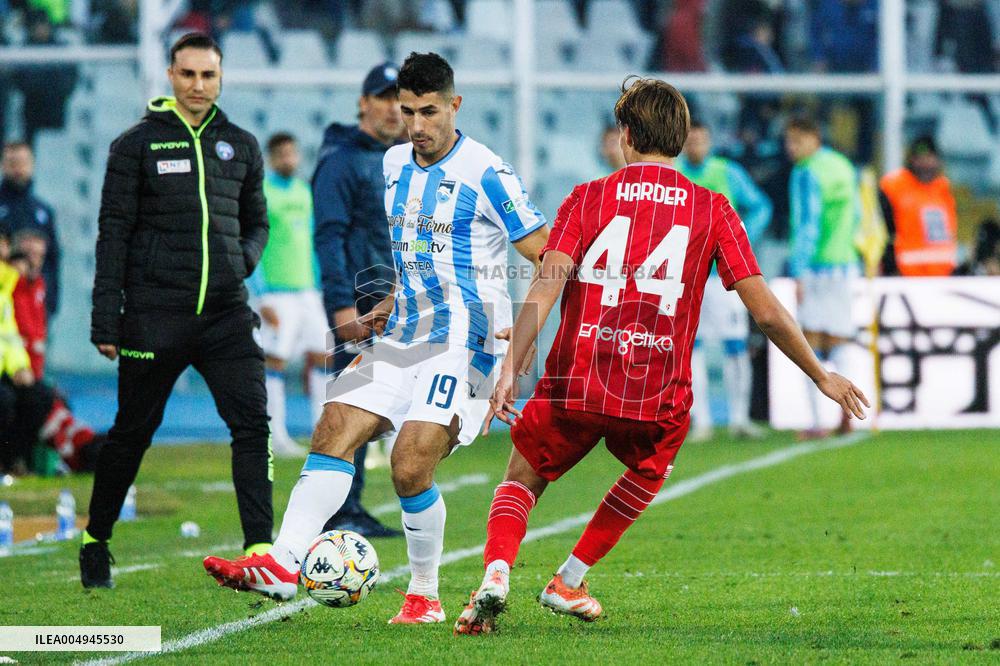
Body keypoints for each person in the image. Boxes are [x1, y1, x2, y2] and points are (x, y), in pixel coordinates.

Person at [452, 77, 869, 635]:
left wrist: (511, 366)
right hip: (654, 390)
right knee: (649, 468)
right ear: (678, 137)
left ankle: (497, 573)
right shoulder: (713, 207)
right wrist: (821, 375)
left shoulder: (586, 196)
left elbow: (547, 282)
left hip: (577, 376)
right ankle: (569, 579)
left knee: (522, 478)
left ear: (626, 134)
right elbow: (766, 312)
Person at [204, 52, 549, 626]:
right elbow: (418, 256)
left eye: (429, 111)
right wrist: (390, 302)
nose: (416, 125)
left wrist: (523, 342)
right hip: (406, 332)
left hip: (469, 343)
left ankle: (423, 594)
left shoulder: (487, 171)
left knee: (411, 463)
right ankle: (284, 565)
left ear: (455, 105)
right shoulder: (392, 164)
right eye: (406, 110)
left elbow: (550, 255)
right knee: (334, 424)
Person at [84, 32, 272, 589]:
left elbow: (258, 221)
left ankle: (259, 549)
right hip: (153, 316)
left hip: (226, 317)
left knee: (252, 426)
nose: (198, 86)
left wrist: (243, 260)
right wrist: (105, 318)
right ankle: (96, 540)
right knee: (131, 433)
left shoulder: (241, 144)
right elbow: (112, 235)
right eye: (188, 74)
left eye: (208, 75)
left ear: (220, 78)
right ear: (171, 75)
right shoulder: (134, 145)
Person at [310, 62, 406, 539]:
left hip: (394, 304)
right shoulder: (342, 160)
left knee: (373, 410)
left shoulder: (399, 158)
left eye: (398, 98)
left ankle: (348, 506)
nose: (393, 107)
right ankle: (337, 510)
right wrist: (341, 308)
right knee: (350, 408)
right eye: (383, 97)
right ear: (363, 103)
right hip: (361, 306)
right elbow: (329, 237)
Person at [677, 121, 772, 440]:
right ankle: (700, 420)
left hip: (724, 276)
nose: (695, 146)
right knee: (693, 349)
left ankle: (739, 419)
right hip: (687, 277)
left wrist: (741, 239)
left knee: (735, 345)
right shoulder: (674, 174)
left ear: (710, 141)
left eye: (701, 140)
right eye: (690, 141)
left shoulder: (727, 172)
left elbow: (761, 207)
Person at [784, 116, 861, 439]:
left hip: (816, 266)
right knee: (839, 339)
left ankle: (817, 420)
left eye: (796, 141)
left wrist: (798, 270)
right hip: (846, 263)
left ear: (813, 137)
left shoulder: (806, 172)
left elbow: (808, 224)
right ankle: (847, 412)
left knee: (810, 341)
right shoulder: (842, 165)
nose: (791, 149)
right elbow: (857, 213)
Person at [251, 132, 325, 459]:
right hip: (277, 293)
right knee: (275, 359)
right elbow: (251, 245)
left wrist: (320, 285)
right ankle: (275, 436)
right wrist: (261, 297)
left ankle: (323, 432)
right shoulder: (261, 193)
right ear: (271, 158)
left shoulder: (304, 191)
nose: (288, 159)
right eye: (282, 154)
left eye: (292, 154)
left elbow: (310, 242)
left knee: (324, 354)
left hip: (308, 290)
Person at [879, 136, 958, 277]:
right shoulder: (894, 187)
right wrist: (890, 267)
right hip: (904, 276)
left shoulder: (943, 189)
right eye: (920, 158)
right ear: (911, 159)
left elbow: (949, 233)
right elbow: (883, 232)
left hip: (943, 277)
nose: (926, 163)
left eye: (930, 157)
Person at [0, 142, 61, 317]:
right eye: (12, 163)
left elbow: (53, 258)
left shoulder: (43, 211)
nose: (18, 169)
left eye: (23, 163)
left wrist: (51, 302)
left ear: (32, 164)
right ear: (3, 165)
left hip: (36, 304)